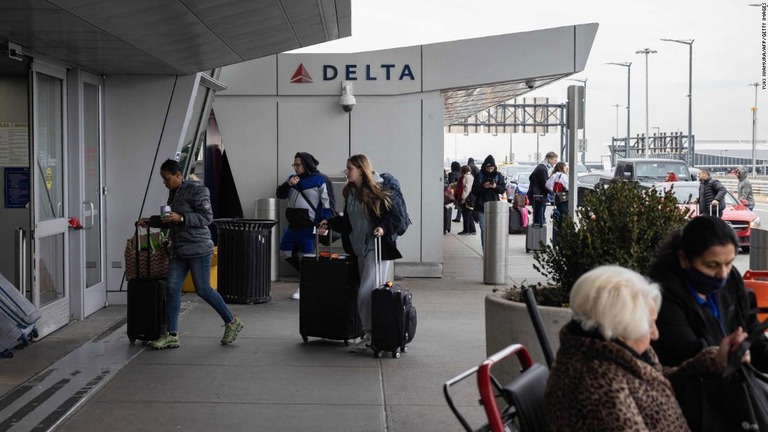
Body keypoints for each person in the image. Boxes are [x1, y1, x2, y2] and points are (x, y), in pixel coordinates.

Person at [546, 265, 748, 432]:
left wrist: (714, 360)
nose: (655, 334)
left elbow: (657, 379)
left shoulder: (612, 354)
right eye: (649, 324)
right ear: (621, 327)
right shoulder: (599, 385)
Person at [648, 216, 768, 430]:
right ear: (684, 258)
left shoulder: (730, 281)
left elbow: (753, 336)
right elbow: (683, 355)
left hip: (738, 390)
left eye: (729, 264)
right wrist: (727, 356)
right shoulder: (663, 294)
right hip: (693, 404)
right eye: (711, 265)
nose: (722, 273)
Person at [138, 159, 243, 349]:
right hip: (178, 249)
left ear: (178, 175)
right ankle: (172, 335)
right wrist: (151, 220)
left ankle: (232, 322)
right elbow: (169, 220)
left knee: (203, 290)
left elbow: (207, 218)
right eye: (163, 180)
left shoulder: (198, 190)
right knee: (172, 289)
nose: (165, 183)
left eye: (167, 179)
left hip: (198, 248)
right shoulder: (174, 193)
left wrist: (182, 217)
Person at [319, 154, 402, 348]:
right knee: (369, 291)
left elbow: (394, 217)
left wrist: (382, 228)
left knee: (367, 292)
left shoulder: (377, 191)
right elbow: (348, 222)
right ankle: (372, 332)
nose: (346, 172)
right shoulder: (351, 193)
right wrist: (329, 222)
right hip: (359, 249)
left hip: (376, 247)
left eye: (350, 168)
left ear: (361, 170)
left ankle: (372, 332)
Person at [276, 152, 333, 300]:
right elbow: (280, 195)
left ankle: (305, 285)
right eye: (294, 165)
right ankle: (312, 275)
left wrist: (325, 222)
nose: (295, 167)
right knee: (285, 251)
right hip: (293, 225)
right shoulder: (292, 179)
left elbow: (327, 205)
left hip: (309, 225)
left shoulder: (320, 180)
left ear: (306, 164)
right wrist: (288, 185)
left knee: (306, 257)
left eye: (298, 164)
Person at [470, 155, 506, 250]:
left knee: (494, 229)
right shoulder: (479, 175)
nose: (490, 170)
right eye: (488, 168)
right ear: (484, 166)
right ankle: (485, 249)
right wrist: (483, 187)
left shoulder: (498, 175)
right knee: (484, 228)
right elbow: (474, 191)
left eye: (492, 168)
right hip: (482, 205)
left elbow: (502, 189)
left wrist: (495, 187)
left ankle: (493, 248)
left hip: (494, 206)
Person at [528, 151, 558, 225]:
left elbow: (531, 177)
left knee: (538, 216)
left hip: (535, 195)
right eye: (554, 160)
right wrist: (552, 192)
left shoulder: (540, 167)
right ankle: (539, 234)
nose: (555, 162)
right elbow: (545, 185)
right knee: (540, 219)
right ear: (549, 159)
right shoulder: (543, 169)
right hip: (538, 196)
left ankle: (538, 234)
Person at [456, 165, 476, 235]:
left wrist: (463, 197)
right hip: (468, 197)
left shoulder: (467, 177)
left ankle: (466, 230)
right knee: (469, 214)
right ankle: (472, 230)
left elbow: (467, 188)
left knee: (466, 214)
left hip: (467, 198)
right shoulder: (469, 176)